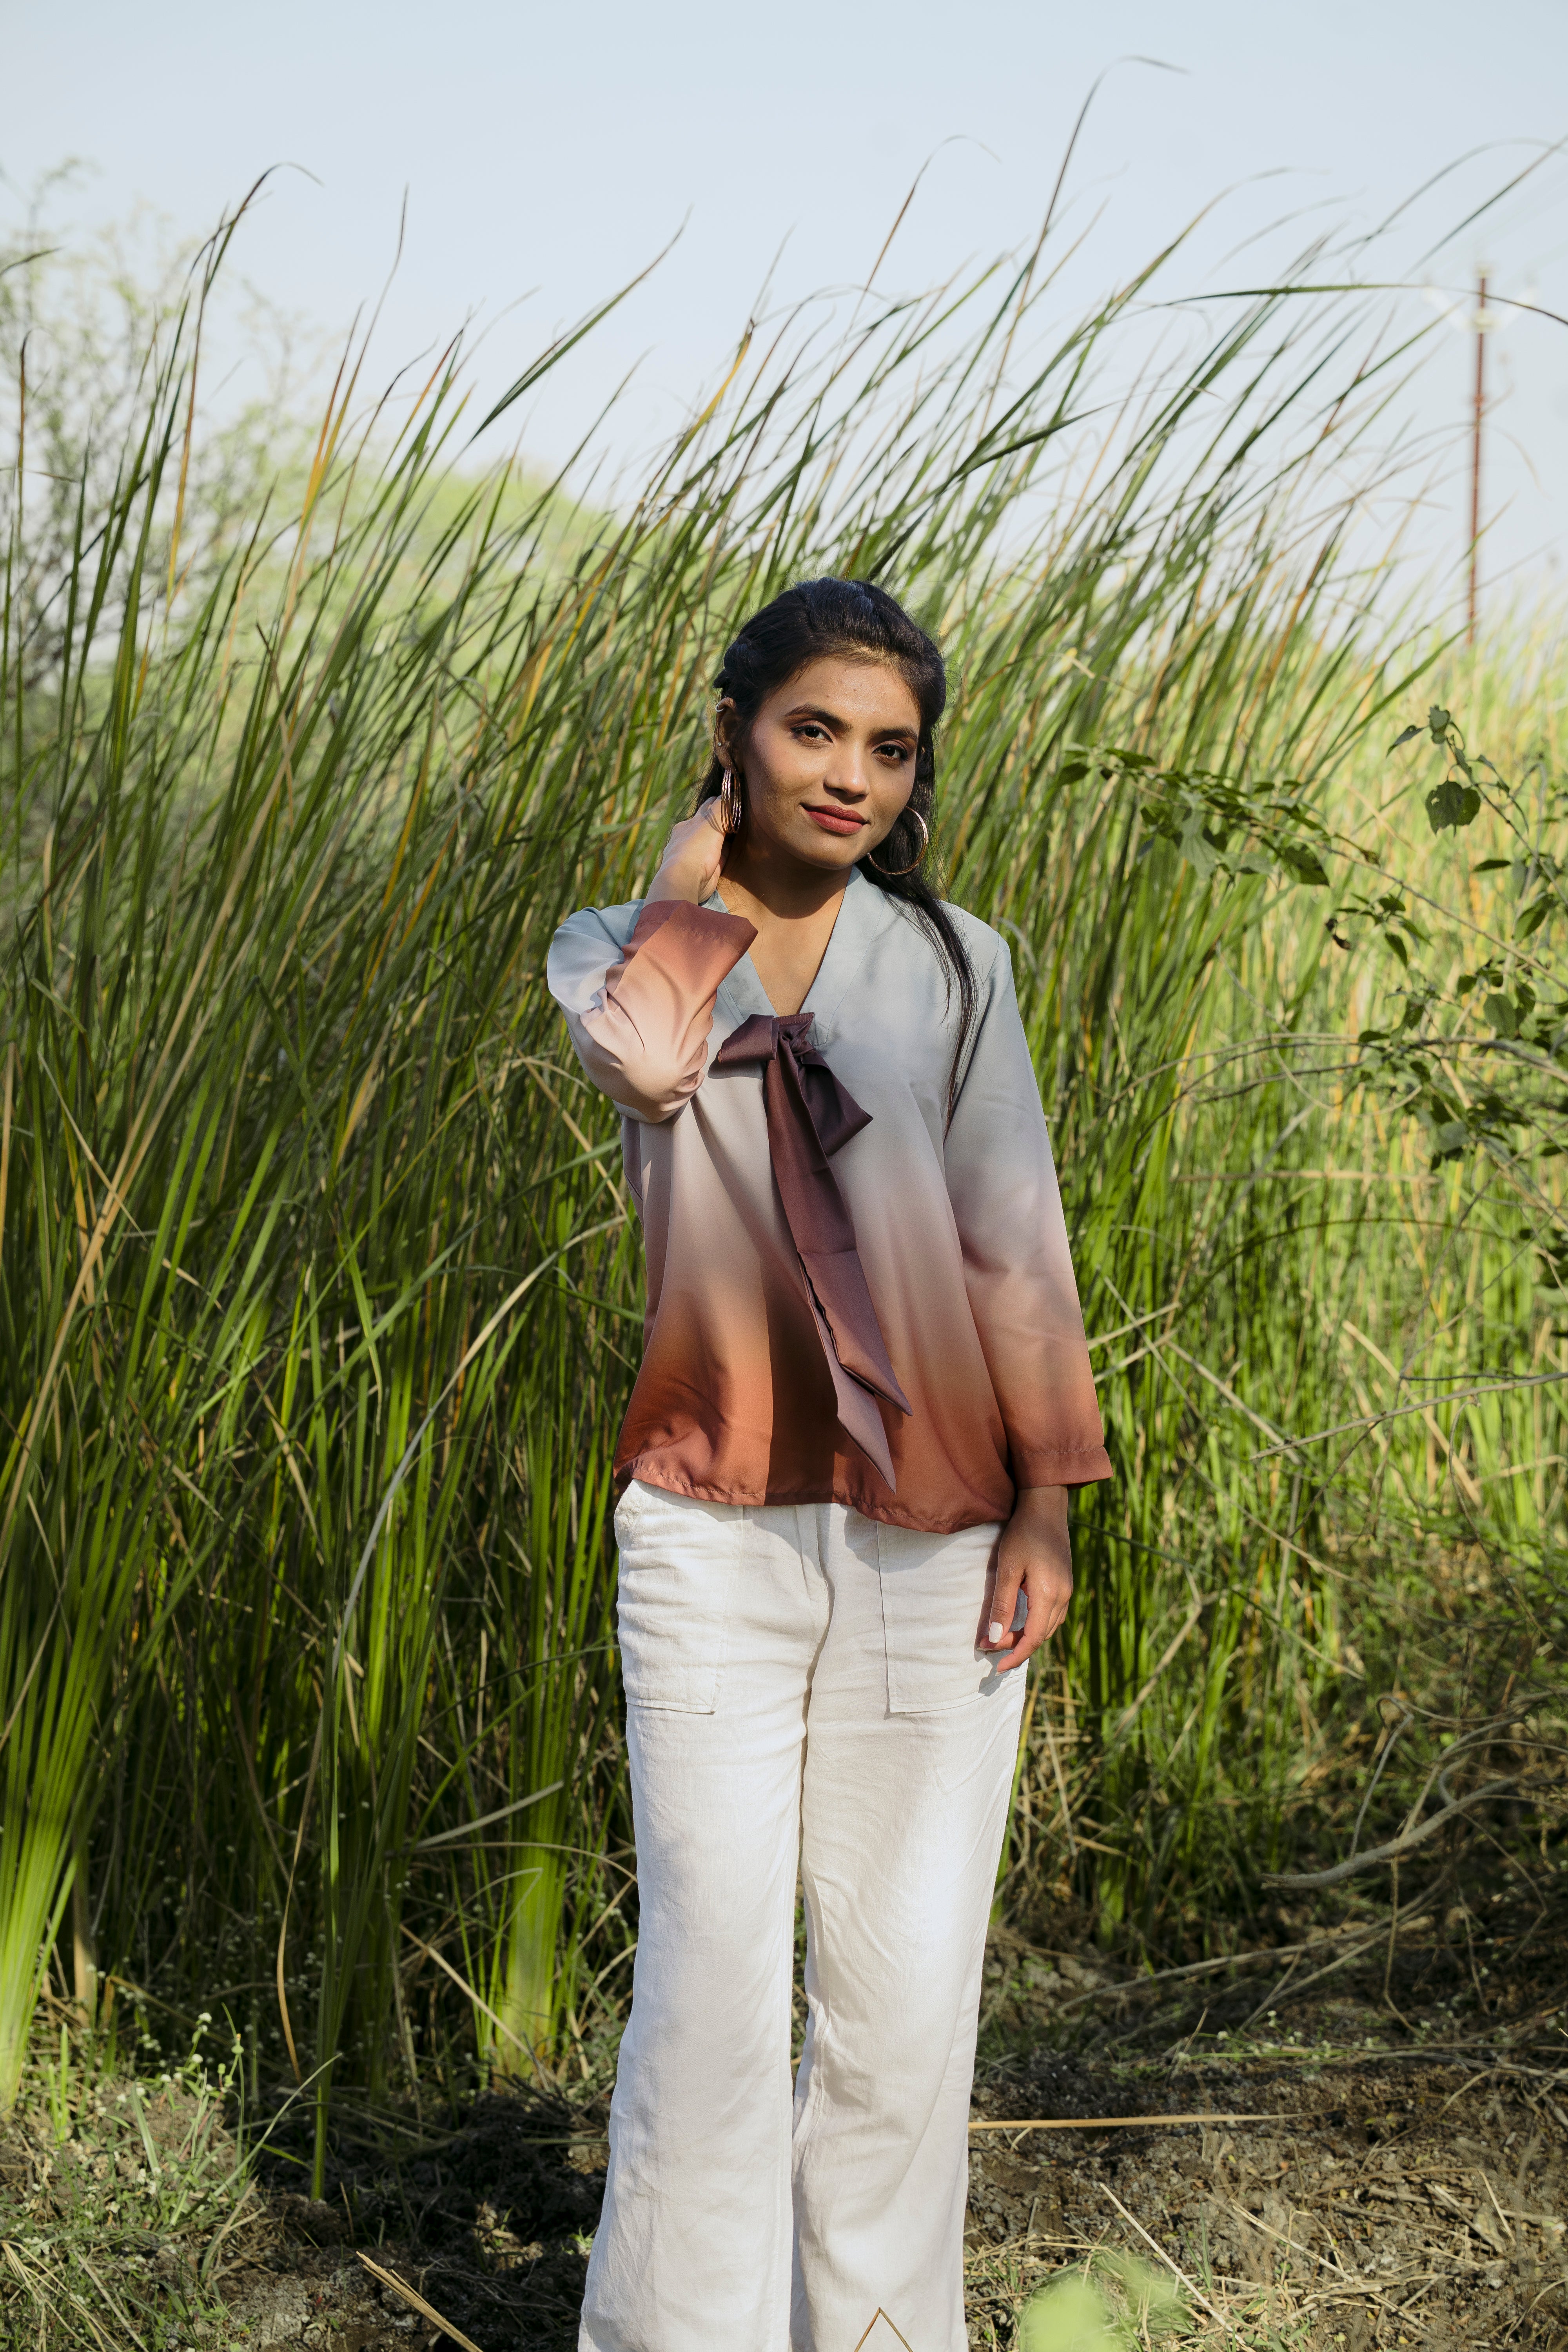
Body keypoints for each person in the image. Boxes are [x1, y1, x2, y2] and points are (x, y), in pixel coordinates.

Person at [547, 577, 1110, 2352]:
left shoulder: (954, 965)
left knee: (899, 2001)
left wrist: (1045, 1496)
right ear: (732, 732)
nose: (851, 774)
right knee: (708, 1998)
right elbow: (648, 1064)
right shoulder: (620, 947)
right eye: (811, 730)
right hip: (706, 1530)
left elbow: (1013, 1239)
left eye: (888, 747)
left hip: (934, 1536)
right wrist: (691, 876)